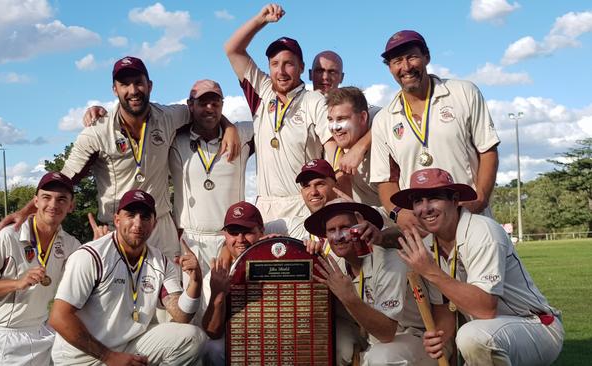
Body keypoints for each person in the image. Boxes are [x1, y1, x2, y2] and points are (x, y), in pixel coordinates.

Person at [0, 56, 240, 260]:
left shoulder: (169, 116)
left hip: (159, 226)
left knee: (169, 305)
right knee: (118, 309)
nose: (133, 90)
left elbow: (206, 111)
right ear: (115, 89)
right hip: (117, 227)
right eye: (124, 84)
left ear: (150, 85)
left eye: (138, 83)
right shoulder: (96, 131)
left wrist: (229, 127)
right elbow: (65, 179)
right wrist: (27, 210)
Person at [394, 168, 564, 365]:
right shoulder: (428, 246)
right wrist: (439, 337)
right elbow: (444, 310)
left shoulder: (483, 230)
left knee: (472, 337)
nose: (425, 208)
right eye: (418, 201)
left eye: (433, 198)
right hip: (489, 333)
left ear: (455, 200)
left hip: (535, 325)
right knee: (471, 337)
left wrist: (430, 271)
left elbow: (485, 309)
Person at [224, 3, 353, 223]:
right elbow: (232, 49)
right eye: (275, 64)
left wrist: (336, 205)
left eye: (288, 64)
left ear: (302, 67)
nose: (281, 71)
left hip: (303, 205)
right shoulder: (262, 89)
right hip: (266, 207)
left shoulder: (314, 100)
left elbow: (333, 152)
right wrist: (260, 20)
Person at [48, 189, 206, 365]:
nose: (137, 223)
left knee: (192, 338)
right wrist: (109, 357)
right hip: (81, 357)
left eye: (145, 217)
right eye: (130, 215)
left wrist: (196, 282)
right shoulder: (91, 256)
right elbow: (58, 317)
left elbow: (181, 316)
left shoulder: (161, 261)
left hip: (125, 346)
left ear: (154, 224)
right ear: (117, 219)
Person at [370, 30, 500, 234]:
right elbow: (386, 179)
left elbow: (487, 149)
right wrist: (398, 212)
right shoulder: (383, 120)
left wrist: (480, 198)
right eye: (396, 61)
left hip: (470, 217)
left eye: (412, 57)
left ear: (426, 57)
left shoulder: (463, 92)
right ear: (390, 68)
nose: (405, 67)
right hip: (422, 227)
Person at [0, 172, 81, 366]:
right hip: (7, 336)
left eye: (62, 199)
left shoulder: (71, 244)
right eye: (46, 197)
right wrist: (18, 283)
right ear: (36, 201)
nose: (53, 205)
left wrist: (98, 245)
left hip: (44, 329)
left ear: (71, 206)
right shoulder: (6, 237)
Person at [305, 198, 436, 365]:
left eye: (345, 228)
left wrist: (349, 297)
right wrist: (306, 253)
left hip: (419, 340)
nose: (338, 237)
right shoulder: (335, 263)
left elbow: (387, 333)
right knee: (327, 345)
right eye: (331, 230)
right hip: (372, 341)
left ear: (362, 227)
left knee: (381, 358)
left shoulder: (390, 260)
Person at [169, 79, 254, 278]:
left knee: (230, 306)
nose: (209, 109)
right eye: (202, 103)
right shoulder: (174, 138)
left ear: (222, 106)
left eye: (215, 104)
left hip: (231, 240)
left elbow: (273, 126)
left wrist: (230, 127)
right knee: (192, 305)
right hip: (189, 241)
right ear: (190, 105)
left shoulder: (241, 134)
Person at [198, 201, 267, 366]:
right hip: (238, 337)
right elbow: (213, 333)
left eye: (248, 232)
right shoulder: (216, 275)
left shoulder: (276, 257)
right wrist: (218, 295)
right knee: (212, 349)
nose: (240, 239)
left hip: (276, 332)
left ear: (261, 231)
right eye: (234, 233)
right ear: (225, 235)